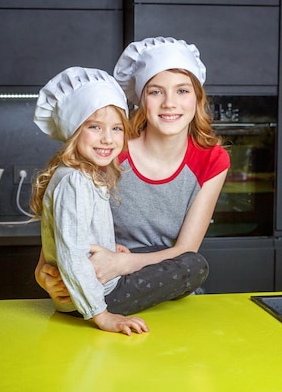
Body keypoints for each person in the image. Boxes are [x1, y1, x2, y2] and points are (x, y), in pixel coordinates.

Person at [35, 37, 230, 313]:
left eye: (182, 91)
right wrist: (43, 274)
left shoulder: (212, 160)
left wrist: (122, 262)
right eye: (156, 92)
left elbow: (186, 251)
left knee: (192, 263)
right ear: (141, 99)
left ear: (198, 98)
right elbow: (64, 226)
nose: (170, 103)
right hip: (103, 283)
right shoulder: (110, 150)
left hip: (167, 287)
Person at [31, 66, 147, 336]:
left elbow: (78, 236)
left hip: (83, 294)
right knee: (191, 265)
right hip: (93, 299)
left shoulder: (82, 174)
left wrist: (109, 247)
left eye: (116, 128)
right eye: (94, 126)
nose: (107, 138)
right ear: (73, 131)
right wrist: (102, 315)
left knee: (147, 252)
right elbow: (71, 253)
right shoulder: (75, 181)